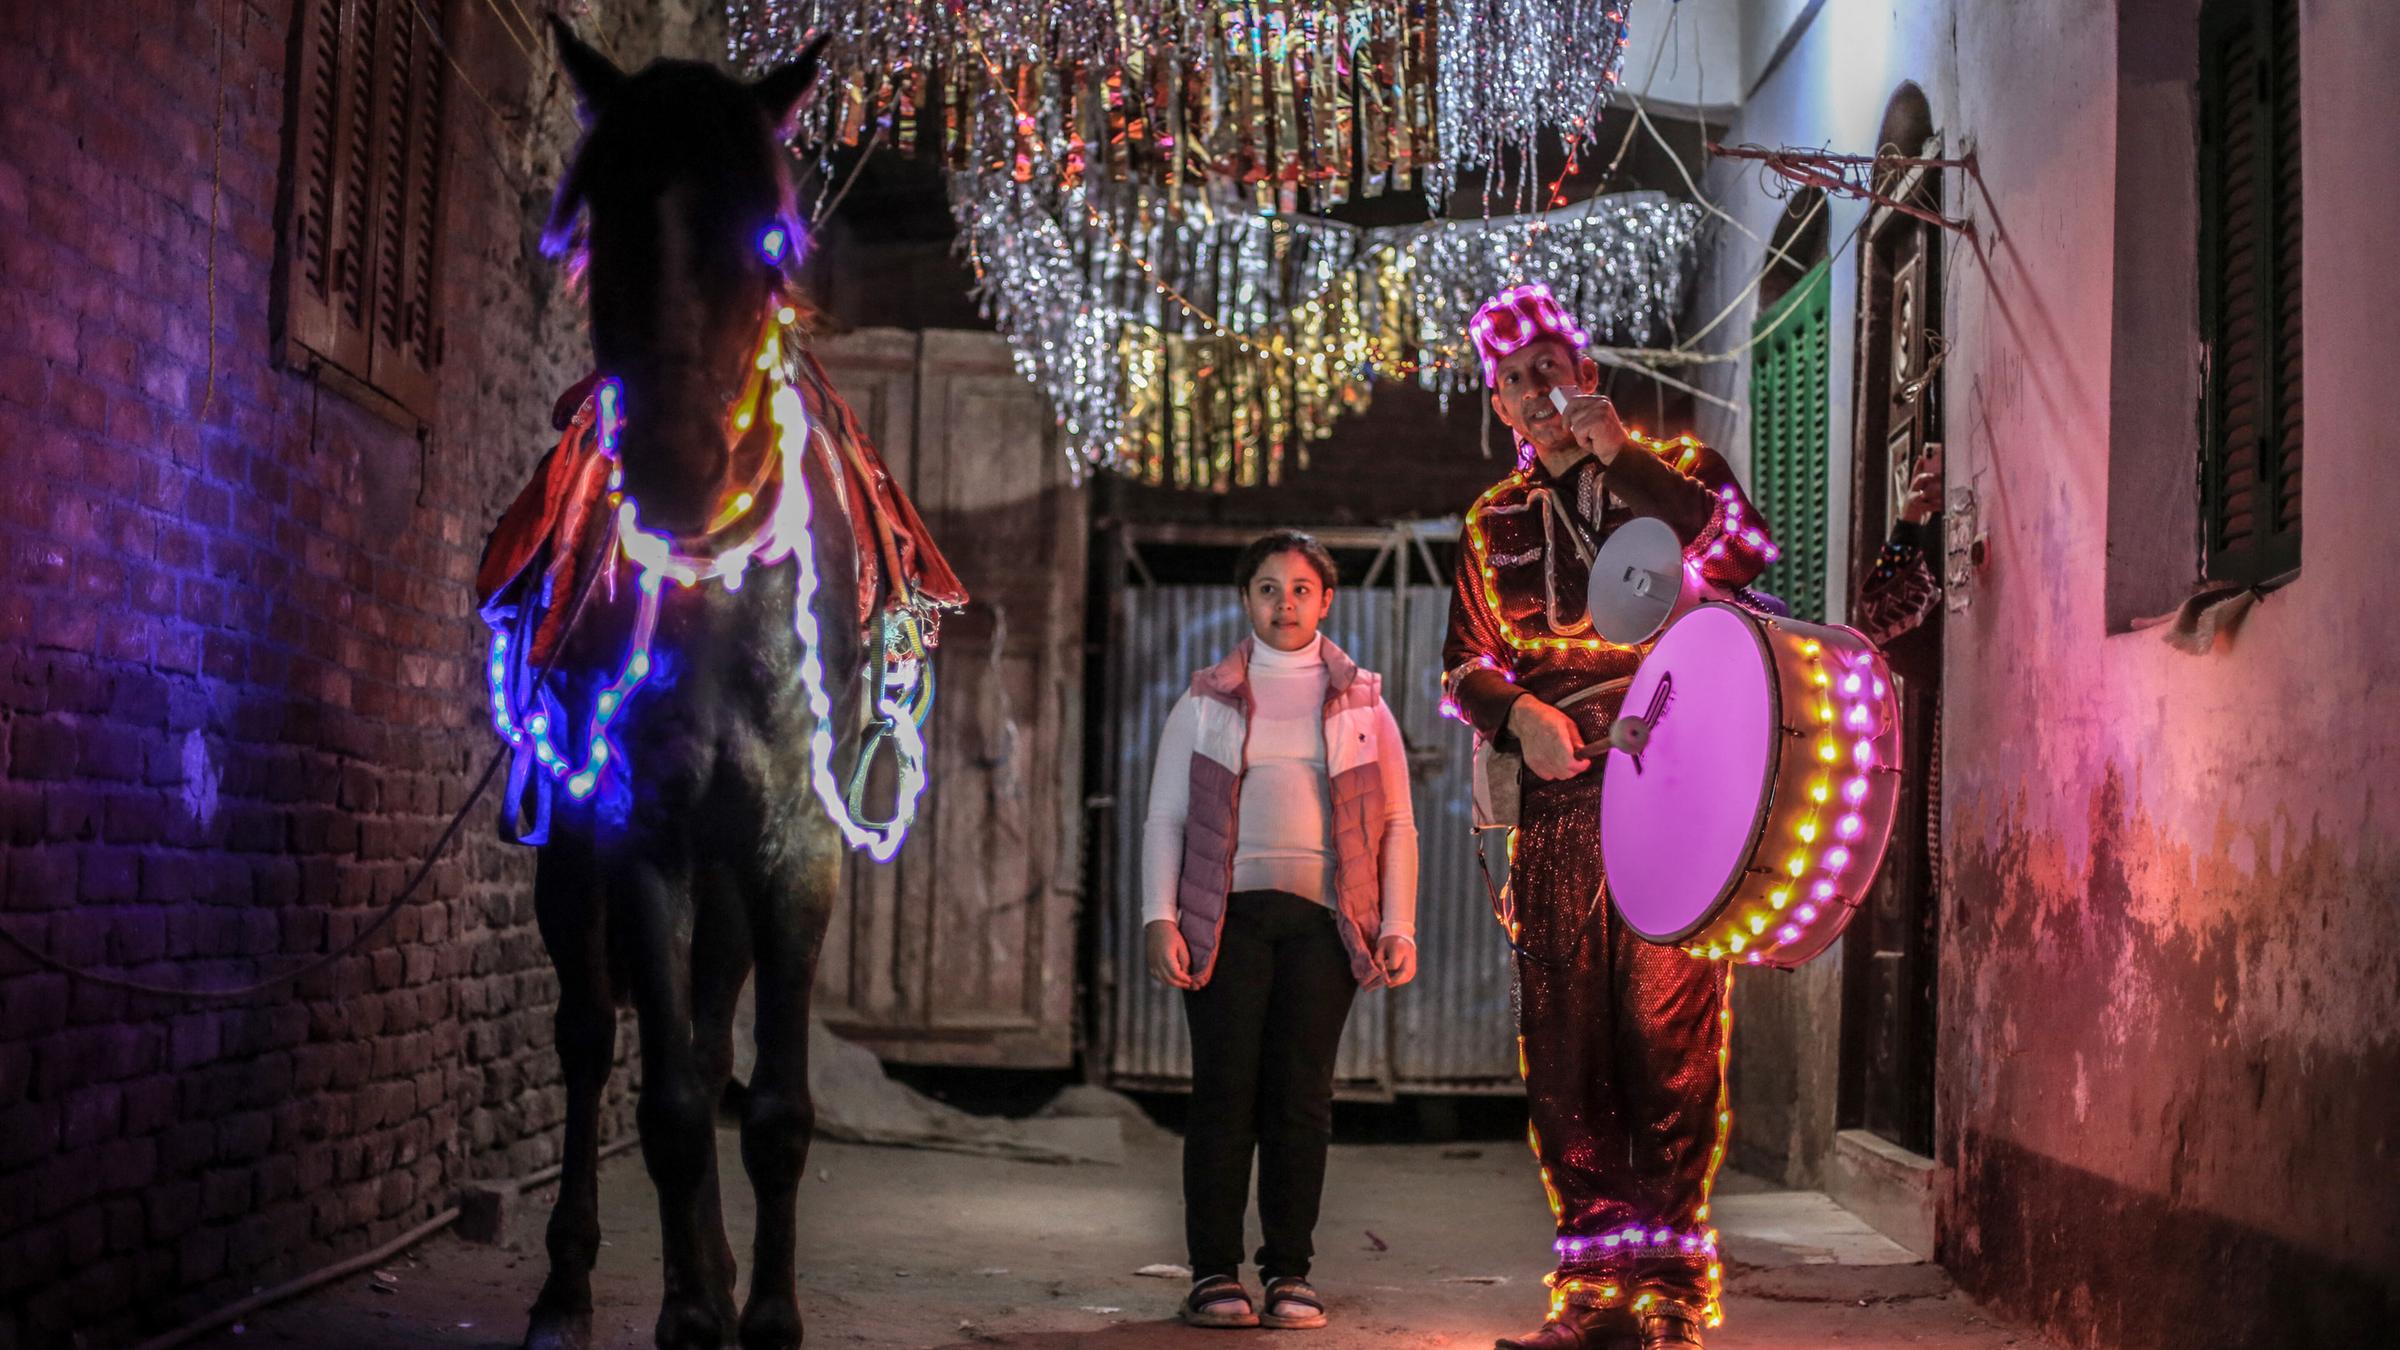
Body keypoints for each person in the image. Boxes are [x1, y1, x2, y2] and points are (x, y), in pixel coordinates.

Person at [1441, 285, 1776, 1350]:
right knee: (1565, 1035)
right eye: (1515, 381)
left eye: (1551, 367)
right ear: (1500, 406)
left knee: (1668, 1028)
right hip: (1557, 796)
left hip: (1676, 779)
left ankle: (1671, 1286)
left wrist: (1621, 459)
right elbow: (1464, 667)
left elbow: (1743, 555)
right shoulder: (1491, 521)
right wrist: (1518, 713)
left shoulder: (1675, 470)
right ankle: (1592, 1285)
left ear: (1587, 373)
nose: (1537, 391)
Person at [1140, 530, 1421, 1331]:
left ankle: (1289, 1275)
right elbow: (1165, 818)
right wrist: (1161, 918)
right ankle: (1213, 1275)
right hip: (1223, 924)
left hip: (1324, 928)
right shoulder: (1206, 700)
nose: (1284, 604)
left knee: (1301, 1100)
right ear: (1246, 600)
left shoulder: (1364, 704)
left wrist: (1398, 925)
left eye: (1300, 589)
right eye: (1268, 588)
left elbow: (1397, 825)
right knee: (1224, 1096)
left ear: (1325, 600)